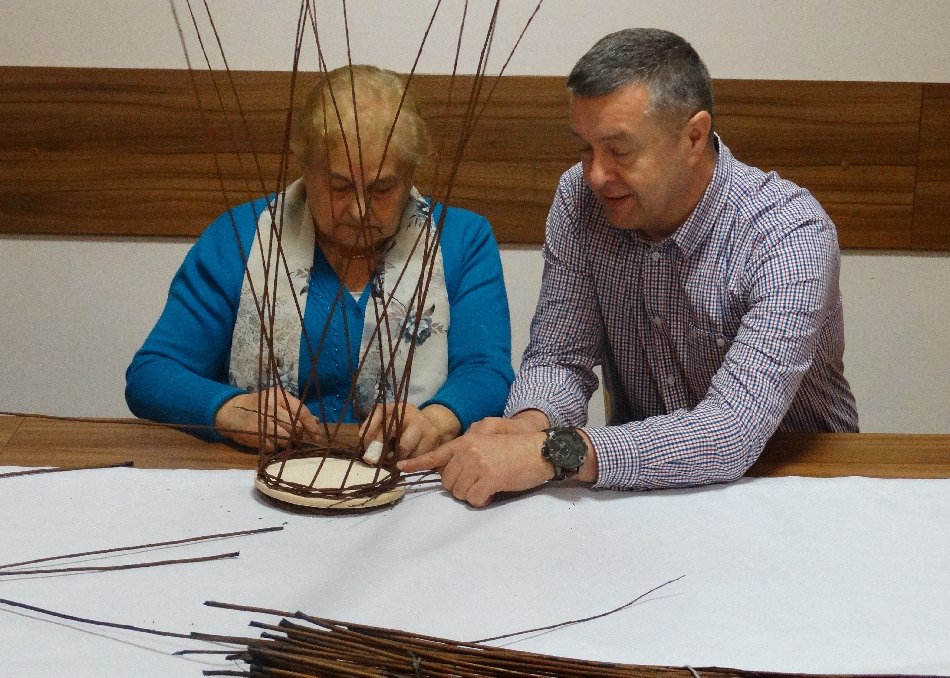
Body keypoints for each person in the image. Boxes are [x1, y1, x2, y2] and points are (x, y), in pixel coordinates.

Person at [401, 28, 858, 506]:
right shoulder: (579, 199)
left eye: (619, 151)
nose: (596, 175)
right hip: (645, 492)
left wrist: (555, 451)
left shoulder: (789, 234)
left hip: (798, 486)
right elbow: (561, 358)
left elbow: (730, 430)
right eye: (585, 148)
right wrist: (527, 425)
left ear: (694, 137)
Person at [126, 65, 513, 456]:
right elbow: (152, 374)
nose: (359, 210)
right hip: (260, 470)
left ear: (411, 173)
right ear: (304, 166)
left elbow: (486, 371)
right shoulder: (242, 238)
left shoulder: (461, 241)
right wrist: (226, 409)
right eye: (339, 186)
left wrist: (437, 420)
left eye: (382, 188)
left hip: (408, 471)